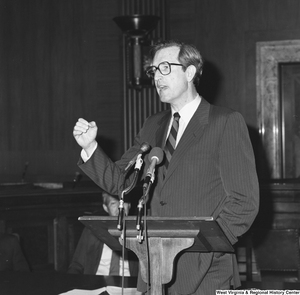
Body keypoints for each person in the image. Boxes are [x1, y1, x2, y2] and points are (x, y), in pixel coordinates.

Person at [73, 40, 259, 294]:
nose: (156, 77)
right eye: (153, 71)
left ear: (190, 72)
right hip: (154, 268)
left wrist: (209, 244)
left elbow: (244, 202)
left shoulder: (225, 122)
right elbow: (121, 182)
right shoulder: (153, 125)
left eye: (164, 68)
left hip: (206, 271)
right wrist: (90, 147)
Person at [68, 192, 139, 277]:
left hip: (128, 284)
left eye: (123, 203)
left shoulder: (139, 231)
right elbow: (77, 265)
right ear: (106, 208)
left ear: (129, 205)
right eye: (113, 203)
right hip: (96, 282)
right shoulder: (92, 230)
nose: (120, 208)